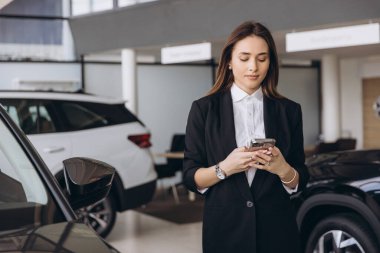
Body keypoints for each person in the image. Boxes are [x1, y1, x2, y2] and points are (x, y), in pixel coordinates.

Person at [183, 21, 309, 253]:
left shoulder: (289, 110)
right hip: (225, 233)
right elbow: (190, 177)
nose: (253, 67)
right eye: (244, 58)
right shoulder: (204, 109)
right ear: (229, 62)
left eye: (262, 59)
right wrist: (224, 168)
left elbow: (300, 180)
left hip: (279, 234)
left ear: (270, 63)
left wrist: (283, 169)